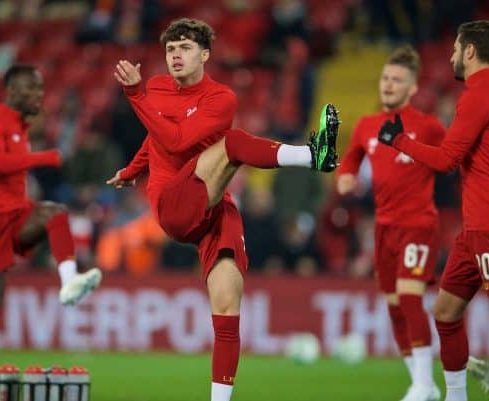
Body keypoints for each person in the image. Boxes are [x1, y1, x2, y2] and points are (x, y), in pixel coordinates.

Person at [107, 18, 338, 401]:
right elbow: (160, 138)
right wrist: (133, 169)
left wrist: (135, 98)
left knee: (228, 304)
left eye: (184, 48)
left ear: (205, 54)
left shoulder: (221, 99)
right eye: (170, 49)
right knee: (231, 143)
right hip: (172, 205)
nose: (175, 55)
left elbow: (177, 139)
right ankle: (314, 155)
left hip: (215, 206)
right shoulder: (156, 88)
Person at [377, 20, 489, 401]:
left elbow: (447, 159)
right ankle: (455, 397)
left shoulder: (479, 94)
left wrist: (399, 140)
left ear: (470, 51)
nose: (450, 55)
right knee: (446, 311)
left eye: (455, 48)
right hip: (476, 230)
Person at [0, 64, 102, 364]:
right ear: (12, 91)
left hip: (16, 211)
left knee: (56, 213)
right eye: (32, 88)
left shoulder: (19, 128)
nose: (39, 94)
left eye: (41, 88)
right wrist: (45, 156)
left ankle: (69, 281)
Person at [337, 45, 445, 401]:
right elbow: (349, 161)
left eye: (397, 80)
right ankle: (421, 383)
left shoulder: (427, 127)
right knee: (395, 306)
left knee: (411, 300)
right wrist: (346, 178)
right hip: (383, 228)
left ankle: (423, 384)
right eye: (385, 78)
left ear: (412, 88)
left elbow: (453, 159)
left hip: (418, 224)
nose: (388, 84)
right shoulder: (367, 126)